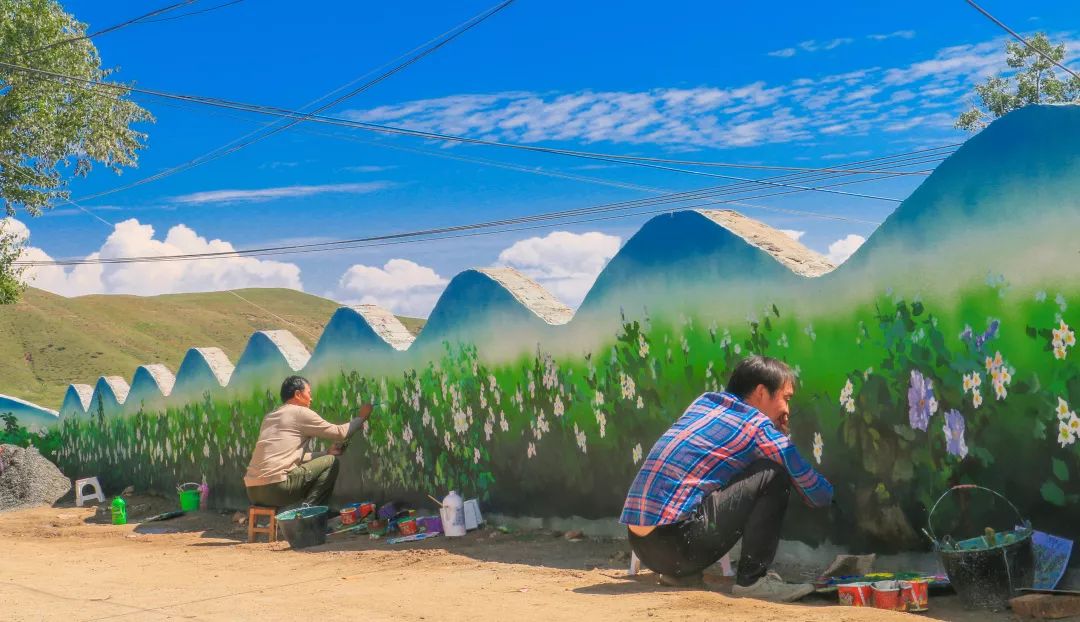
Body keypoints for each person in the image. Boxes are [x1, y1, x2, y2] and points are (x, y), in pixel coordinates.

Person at [620, 355, 833, 602]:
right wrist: (838, 499)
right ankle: (753, 581)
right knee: (773, 473)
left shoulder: (704, 402)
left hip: (641, 545)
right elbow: (818, 494)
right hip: (678, 546)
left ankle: (679, 574)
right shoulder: (757, 426)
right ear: (761, 392)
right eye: (786, 399)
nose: (787, 410)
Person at [244, 375, 372, 509]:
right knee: (331, 462)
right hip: (278, 489)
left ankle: (299, 518)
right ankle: (310, 516)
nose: (311, 398)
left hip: (253, 491)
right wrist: (361, 417)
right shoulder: (301, 412)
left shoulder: (270, 417)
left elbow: (290, 457)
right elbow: (340, 433)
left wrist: (326, 452)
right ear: (298, 394)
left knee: (327, 457)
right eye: (309, 393)